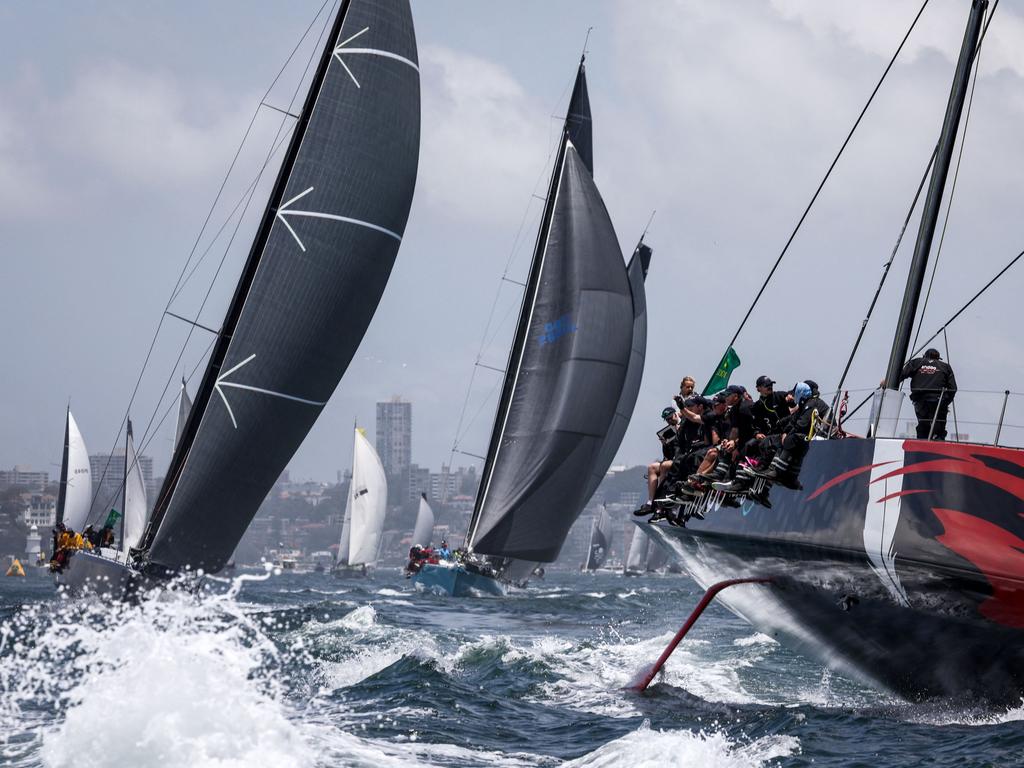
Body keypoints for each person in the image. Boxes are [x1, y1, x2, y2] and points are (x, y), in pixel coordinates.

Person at [754, 381, 829, 489]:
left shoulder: (812, 403)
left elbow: (802, 423)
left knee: (791, 439)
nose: (794, 396)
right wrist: (785, 431)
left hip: (817, 436)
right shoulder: (805, 403)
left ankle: (779, 472)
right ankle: (767, 469)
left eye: (795, 393)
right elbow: (793, 420)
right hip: (805, 435)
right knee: (772, 440)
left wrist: (788, 434)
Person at [897, 349, 957, 440]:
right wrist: (946, 402)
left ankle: (921, 446)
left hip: (920, 401)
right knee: (938, 430)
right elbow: (953, 388)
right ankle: (937, 443)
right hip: (938, 400)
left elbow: (901, 375)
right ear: (938, 358)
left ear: (924, 356)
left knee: (923, 426)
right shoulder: (945, 366)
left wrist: (887, 382)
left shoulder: (916, 362)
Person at [635, 407, 681, 516]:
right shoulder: (670, 430)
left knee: (665, 466)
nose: (670, 421)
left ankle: (660, 500)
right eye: (667, 420)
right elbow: (667, 454)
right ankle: (650, 502)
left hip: (682, 459)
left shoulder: (685, 424)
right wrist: (664, 444)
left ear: (675, 414)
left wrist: (679, 431)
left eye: (670, 418)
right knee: (652, 467)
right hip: (671, 460)